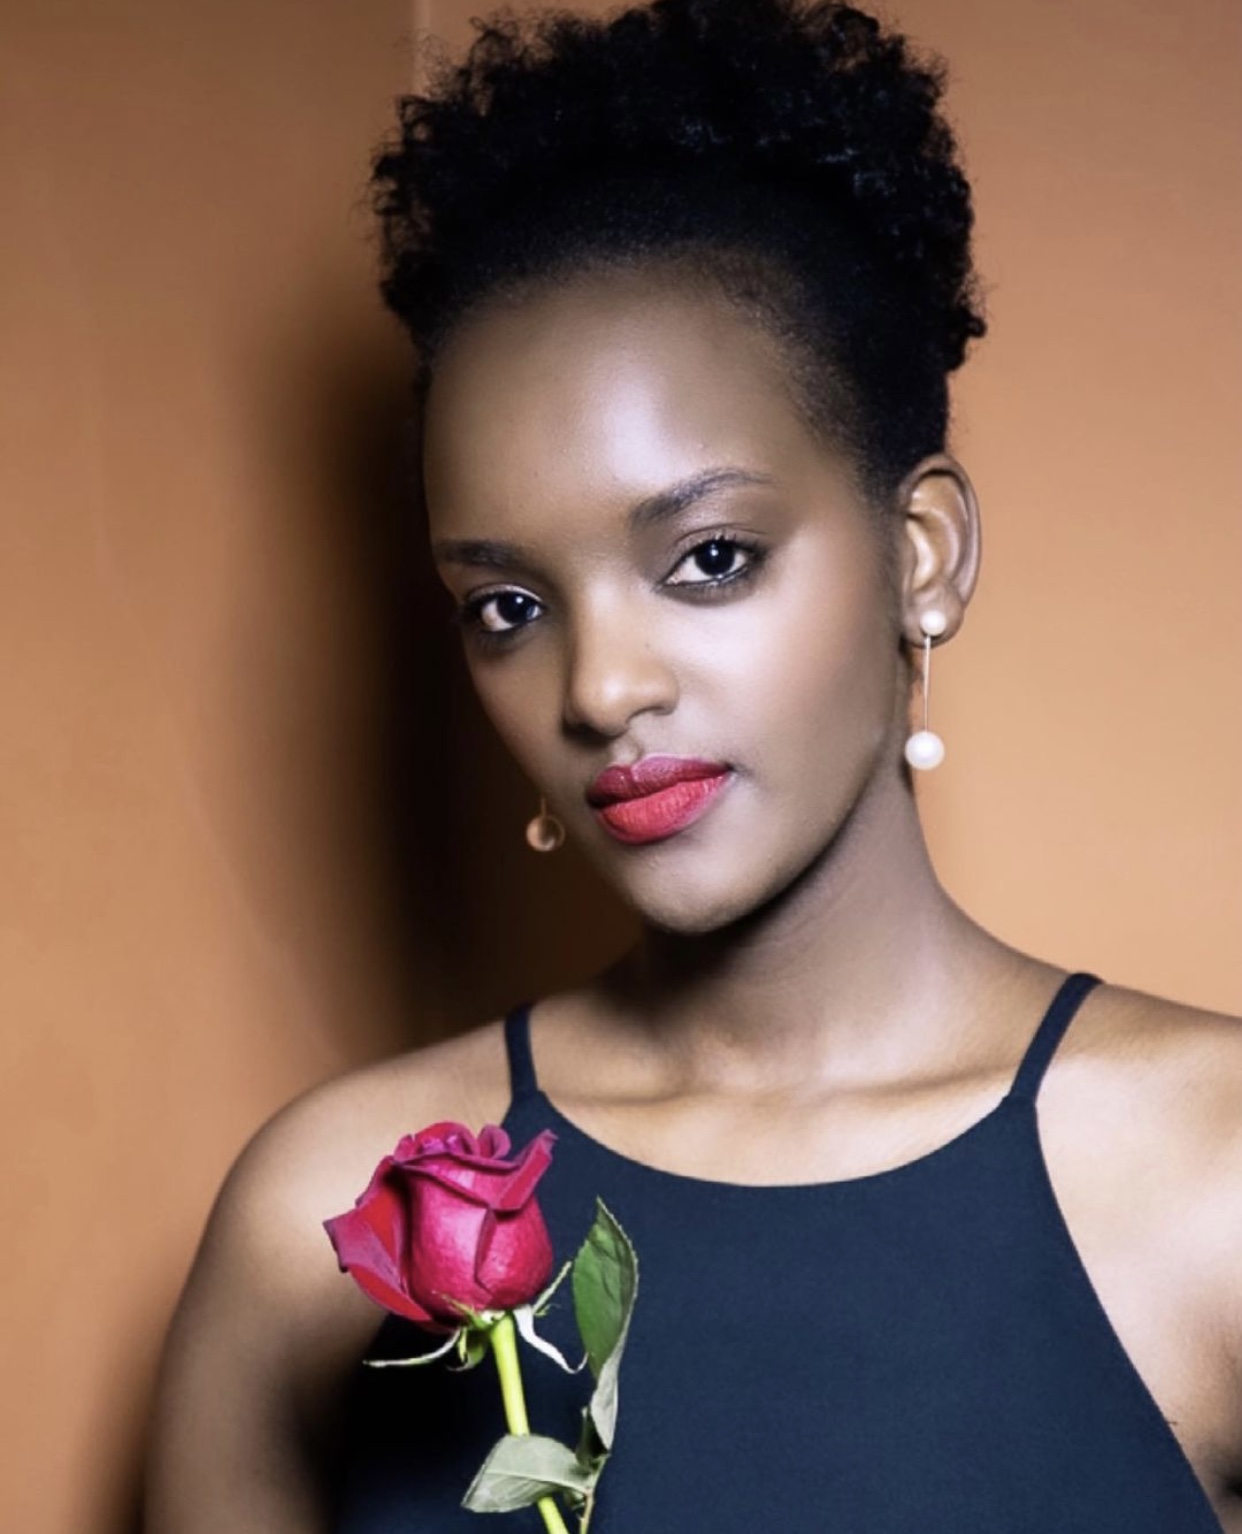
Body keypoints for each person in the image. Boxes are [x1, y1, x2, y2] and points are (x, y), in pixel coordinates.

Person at [144, 1, 1242, 1530]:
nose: (599, 688)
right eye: (507, 605)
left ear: (921, 555)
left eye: (709, 557)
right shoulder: (327, 1217)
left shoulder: (1209, 1177)